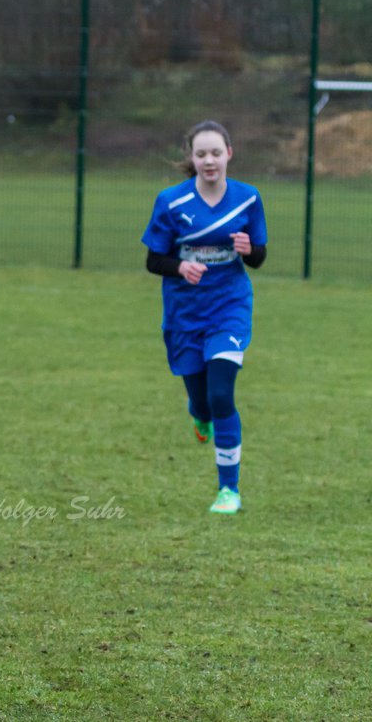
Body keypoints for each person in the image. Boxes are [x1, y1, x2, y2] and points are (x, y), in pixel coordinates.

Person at [142, 120, 266, 515]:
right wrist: (180, 268)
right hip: (184, 315)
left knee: (221, 393)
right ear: (191, 159)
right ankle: (199, 415)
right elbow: (153, 260)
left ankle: (228, 490)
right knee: (201, 400)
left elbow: (259, 256)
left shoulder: (248, 199)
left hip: (229, 308)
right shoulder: (171, 202)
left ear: (230, 153)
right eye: (201, 154)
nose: (209, 160)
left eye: (216, 152)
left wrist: (249, 250)